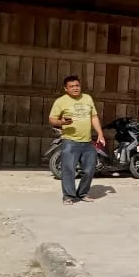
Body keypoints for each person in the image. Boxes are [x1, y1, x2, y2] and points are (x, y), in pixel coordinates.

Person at [48, 75, 105, 205]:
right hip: (70, 141)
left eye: (77, 85)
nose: (75, 88)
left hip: (87, 141)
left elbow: (94, 117)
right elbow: (51, 119)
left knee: (89, 170)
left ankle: (83, 193)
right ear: (66, 89)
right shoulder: (61, 101)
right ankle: (68, 196)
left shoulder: (87, 98)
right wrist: (61, 121)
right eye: (72, 86)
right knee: (68, 170)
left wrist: (100, 134)